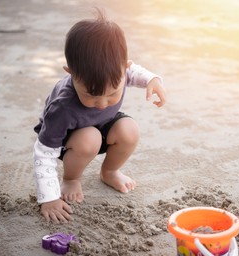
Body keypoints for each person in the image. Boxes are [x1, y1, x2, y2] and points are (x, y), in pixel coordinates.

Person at [33, 9, 166, 224]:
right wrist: (48, 198)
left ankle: (110, 171)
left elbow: (136, 72)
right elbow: (43, 153)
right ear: (71, 73)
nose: (103, 103)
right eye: (92, 95)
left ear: (124, 69)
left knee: (129, 129)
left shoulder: (120, 73)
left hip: (101, 126)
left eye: (113, 93)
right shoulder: (63, 107)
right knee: (89, 138)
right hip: (71, 141)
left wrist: (153, 80)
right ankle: (72, 177)